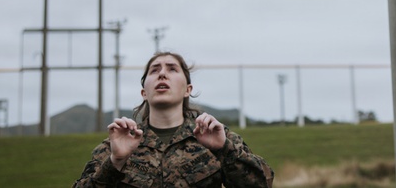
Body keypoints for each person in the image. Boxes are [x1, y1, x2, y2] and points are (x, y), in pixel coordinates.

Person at [74, 52, 273, 188]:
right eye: (154, 70)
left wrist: (225, 150)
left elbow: (262, 183)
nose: (162, 73)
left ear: (188, 89)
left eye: (172, 69)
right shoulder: (117, 144)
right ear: (144, 92)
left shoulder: (217, 137)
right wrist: (115, 162)